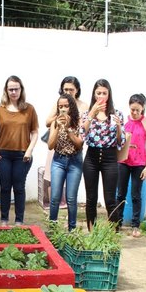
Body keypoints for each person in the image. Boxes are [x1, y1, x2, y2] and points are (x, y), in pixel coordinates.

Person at [0, 76, 39, 226]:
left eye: (16, 88)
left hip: (22, 155)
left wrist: (29, 150)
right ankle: (4, 219)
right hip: (2, 154)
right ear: (6, 90)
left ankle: (19, 220)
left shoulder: (29, 109)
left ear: (21, 89)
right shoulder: (0, 109)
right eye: (11, 89)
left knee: (18, 187)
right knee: (4, 187)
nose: (14, 92)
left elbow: (35, 132)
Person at [81, 79, 125, 230]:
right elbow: (82, 133)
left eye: (104, 93)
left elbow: (121, 141)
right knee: (91, 198)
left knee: (110, 199)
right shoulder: (87, 114)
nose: (101, 96)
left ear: (109, 95)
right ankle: (91, 231)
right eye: (98, 93)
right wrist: (91, 114)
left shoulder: (116, 114)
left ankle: (113, 233)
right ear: (94, 94)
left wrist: (119, 127)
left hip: (110, 157)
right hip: (91, 157)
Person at [43, 76, 89, 209]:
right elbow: (47, 121)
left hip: (75, 149)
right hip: (59, 145)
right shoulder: (59, 103)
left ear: (77, 90)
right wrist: (61, 117)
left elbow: (85, 125)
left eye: (71, 89)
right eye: (65, 89)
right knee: (55, 186)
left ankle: (71, 222)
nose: (68, 92)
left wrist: (73, 122)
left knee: (71, 195)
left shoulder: (83, 105)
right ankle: (54, 213)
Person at [117, 94, 146, 237]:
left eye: (138, 110)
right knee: (120, 193)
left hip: (139, 162)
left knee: (136, 195)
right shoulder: (123, 122)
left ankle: (135, 225)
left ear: (143, 108)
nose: (135, 113)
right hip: (124, 161)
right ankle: (117, 223)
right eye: (132, 109)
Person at [47, 93, 83, 231]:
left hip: (75, 162)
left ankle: (72, 230)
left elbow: (79, 144)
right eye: (60, 106)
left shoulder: (78, 122)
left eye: (66, 106)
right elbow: (50, 145)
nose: (63, 109)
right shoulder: (55, 122)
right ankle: (53, 230)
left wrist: (68, 128)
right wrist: (58, 126)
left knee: (71, 199)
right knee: (55, 197)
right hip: (59, 161)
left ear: (71, 107)